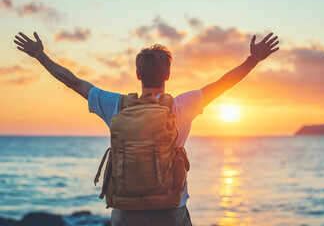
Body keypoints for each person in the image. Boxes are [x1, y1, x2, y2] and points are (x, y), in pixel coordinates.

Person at [14, 31, 279, 226]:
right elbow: (222, 84)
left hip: (125, 213)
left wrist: (40, 56)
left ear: (138, 75)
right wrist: (252, 60)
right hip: (170, 212)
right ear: (167, 75)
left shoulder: (115, 104)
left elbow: (73, 81)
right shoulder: (182, 106)